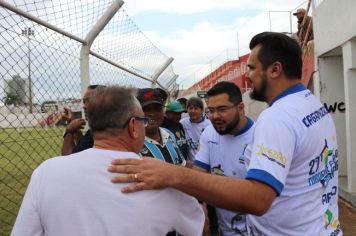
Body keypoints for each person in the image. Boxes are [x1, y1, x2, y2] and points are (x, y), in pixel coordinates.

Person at [108, 32, 341, 236]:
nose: (247, 75)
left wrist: (173, 175)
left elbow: (257, 199)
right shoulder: (313, 106)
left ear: (275, 69)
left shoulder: (277, 117)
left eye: (251, 67)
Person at [12, 86, 204, 236]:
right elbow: (195, 226)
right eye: (143, 121)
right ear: (133, 126)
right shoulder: (159, 177)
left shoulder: (45, 172)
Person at [194, 81, 255, 236]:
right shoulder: (209, 134)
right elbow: (198, 174)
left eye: (222, 109)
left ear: (240, 108)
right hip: (225, 230)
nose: (215, 116)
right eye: (211, 110)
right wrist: (200, 204)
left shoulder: (260, 136)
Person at [137, 88, 186, 166]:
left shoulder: (169, 134)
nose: (152, 114)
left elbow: (182, 165)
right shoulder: (132, 144)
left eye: (157, 109)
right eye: (145, 109)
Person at [61, 85, 101, 155]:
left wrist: (69, 131)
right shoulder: (109, 126)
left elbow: (69, 157)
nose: (84, 106)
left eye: (90, 101)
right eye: (84, 101)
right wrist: (72, 122)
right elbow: (83, 148)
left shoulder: (98, 130)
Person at [180, 97, 211, 161]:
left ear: (202, 110)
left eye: (196, 108)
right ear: (187, 109)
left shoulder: (209, 125)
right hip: (190, 164)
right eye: (190, 108)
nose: (193, 111)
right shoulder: (183, 123)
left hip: (206, 163)